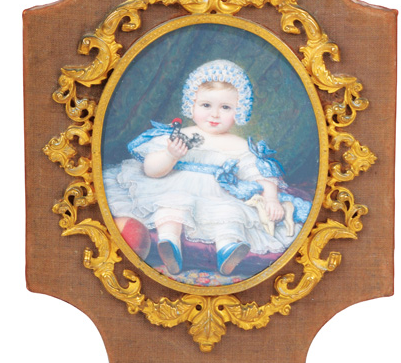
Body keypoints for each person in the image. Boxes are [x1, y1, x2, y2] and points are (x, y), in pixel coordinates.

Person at [103, 60, 311, 278]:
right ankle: (169, 245)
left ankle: (228, 251)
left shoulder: (239, 145)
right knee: (172, 204)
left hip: (219, 195)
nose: (214, 115)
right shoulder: (178, 135)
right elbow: (150, 170)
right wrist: (170, 155)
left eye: (225, 107)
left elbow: (261, 174)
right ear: (191, 105)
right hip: (173, 185)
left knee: (229, 214)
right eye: (206, 105)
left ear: (239, 111)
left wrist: (271, 199)